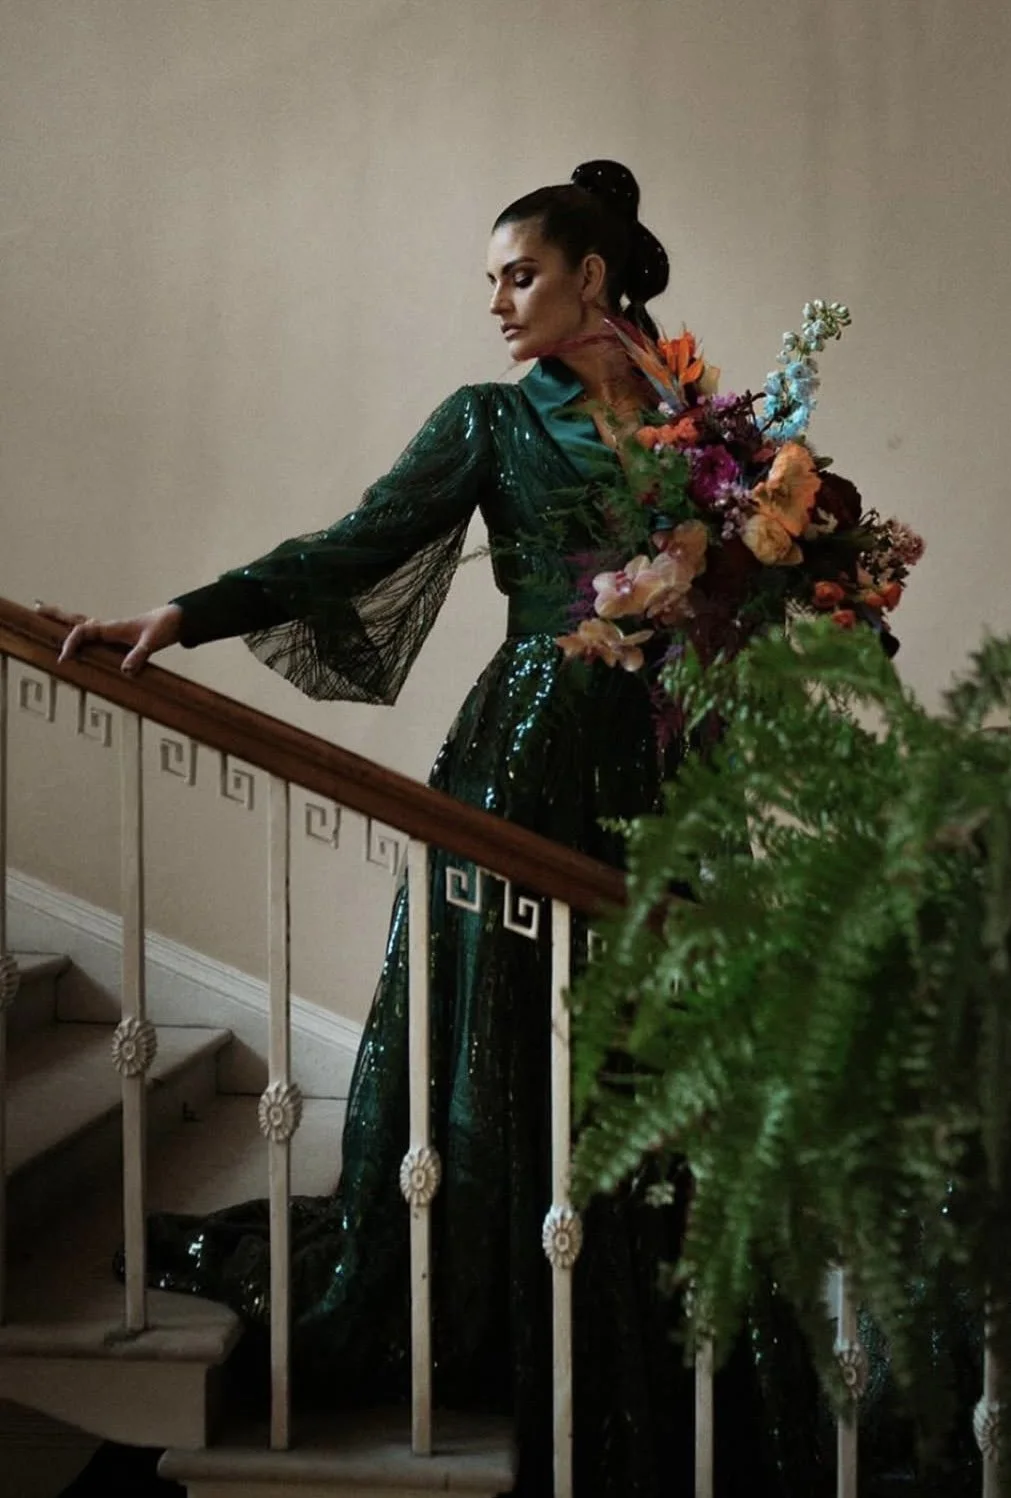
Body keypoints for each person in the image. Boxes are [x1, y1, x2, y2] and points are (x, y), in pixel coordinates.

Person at [44, 162, 832, 1498]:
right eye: (491, 281)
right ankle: (508, 1298)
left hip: (670, 767)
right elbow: (353, 545)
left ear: (591, 276)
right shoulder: (488, 419)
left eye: (519, 275)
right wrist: (185, 614)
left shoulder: (701, 425)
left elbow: (751, 588)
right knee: (513, 1035)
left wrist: (782, 580)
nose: (497, 302)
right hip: (527, 757)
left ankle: (659, 1300)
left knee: (661, 1034)